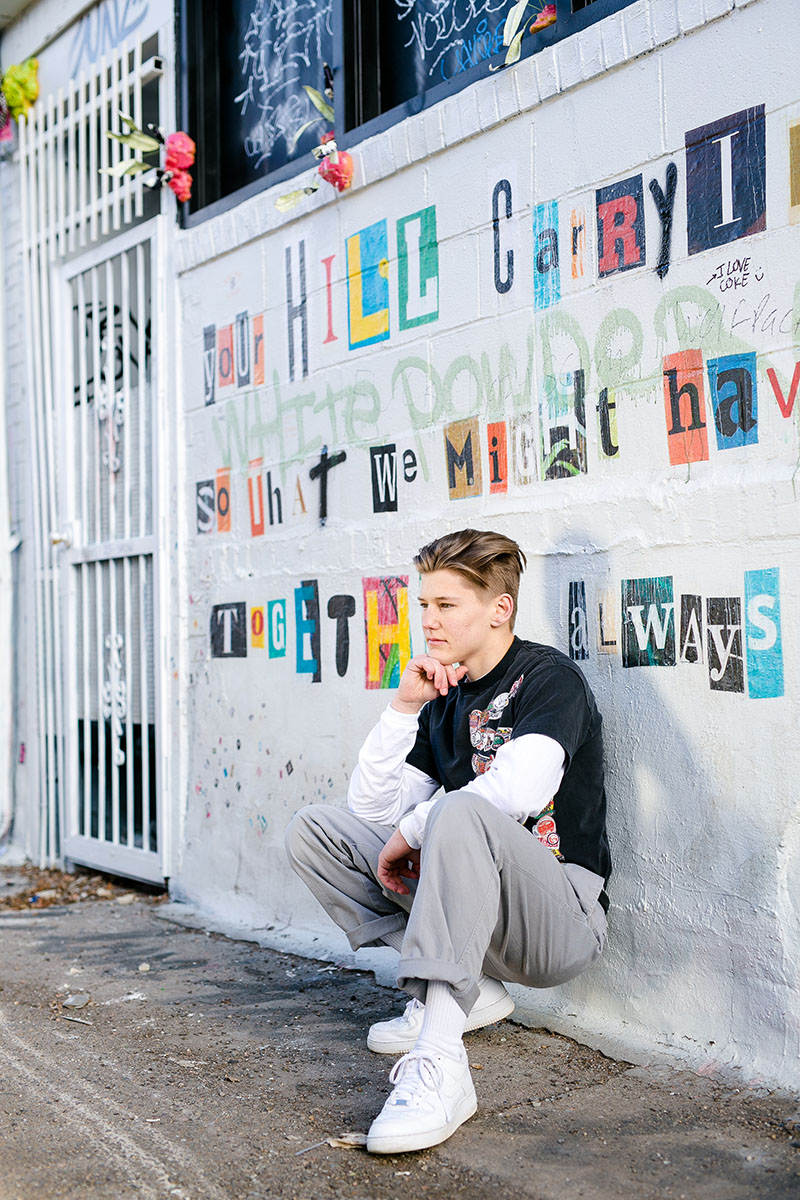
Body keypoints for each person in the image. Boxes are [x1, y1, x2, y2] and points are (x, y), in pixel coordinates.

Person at [285, 528, 611, 1155]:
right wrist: (404, 708)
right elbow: (371, 811)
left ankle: (442, 1063)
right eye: (424, 605)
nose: (429, 621)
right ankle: (469, 990)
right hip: (480, 922)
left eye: (446, 605)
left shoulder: (550, 680)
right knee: (318, 832)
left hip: (561, 918)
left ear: (499, 608)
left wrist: (414, 829)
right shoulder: (443, 700)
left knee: (457, 812)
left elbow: (517, 789)